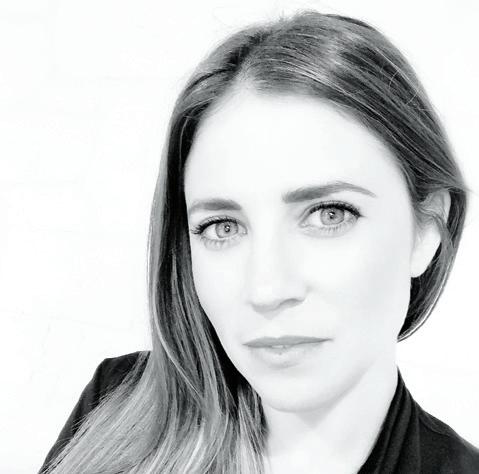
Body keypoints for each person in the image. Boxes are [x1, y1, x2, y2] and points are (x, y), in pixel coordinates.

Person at [39, 9, 479, 474]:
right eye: (223, 227)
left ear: (428, 227)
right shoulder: (115, 407)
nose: (266, 289)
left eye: (329, 215)